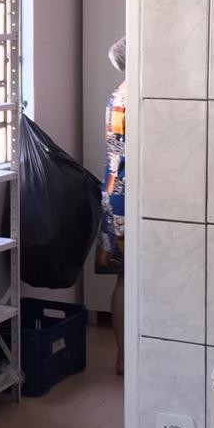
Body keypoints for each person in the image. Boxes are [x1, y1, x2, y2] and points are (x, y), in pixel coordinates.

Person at [98, 36, 126, 375]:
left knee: (124, 278)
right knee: (136, 279)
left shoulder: (118, 93)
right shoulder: (140, 96)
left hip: (113, 193)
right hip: (133, 196)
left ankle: (123, 358)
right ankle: (131, 359)